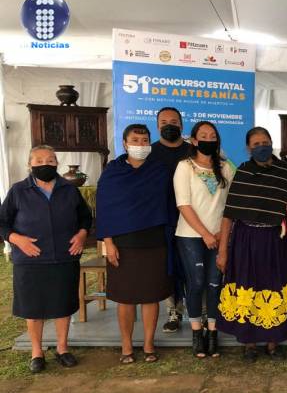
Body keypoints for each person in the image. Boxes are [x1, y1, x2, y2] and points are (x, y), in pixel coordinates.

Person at [216, 127, 287, 362]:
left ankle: (273, 343)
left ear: (271, 142)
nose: (261, 147)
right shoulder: (243, 172)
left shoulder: (285, 173)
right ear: (248, 148)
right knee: (247, 287)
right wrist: (223, 251)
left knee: (273, 286)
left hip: (274, 241)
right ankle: (249, 343)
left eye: (265, 142)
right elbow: (229, 215)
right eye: (256, 144)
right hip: (245, 240)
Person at [0, 145, 91, 373]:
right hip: (30, 261)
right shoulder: (18, 191)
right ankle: (36, 352)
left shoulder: (69, 190)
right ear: (29, 164)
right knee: (33, 308)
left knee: (63, 305)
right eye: (39, 160)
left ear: (57, 163)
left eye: (50, 160)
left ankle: (62, 348)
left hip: (64, 258)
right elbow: (3, 222)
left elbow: (85, 217)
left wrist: (82, 234)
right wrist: (16, 239)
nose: (45, 164)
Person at [97, 124, 174, 364]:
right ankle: (127, 346)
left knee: (151, 296)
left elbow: (170, 204)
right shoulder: (112, 172)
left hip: (154, 242)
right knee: (126, 297)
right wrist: (108, 243)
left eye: (145, 140)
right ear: (124, 143)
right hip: (123, 244)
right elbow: (104, 208)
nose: (141, 145)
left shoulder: (159, 170)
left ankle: (149, 344)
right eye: (135, 140)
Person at [174, 121, 234, 358]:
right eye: (203, 135)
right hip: (190, 236)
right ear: (194, 140)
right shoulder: (184, 167)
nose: (208, 139)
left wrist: (220, 234)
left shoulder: (225, 167)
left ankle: (213, 333)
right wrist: (206, 234)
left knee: (214, 283)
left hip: (219, 235)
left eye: (212, 136)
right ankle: (197, 332)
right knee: (196, 283)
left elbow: (230, 206)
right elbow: (183, 205)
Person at [147, 107, 192, 333]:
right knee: (169, 267)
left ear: (181, 125)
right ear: (157, 126)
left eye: (174, 122)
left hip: (193, 218)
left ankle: (202, 312)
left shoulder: (194, 151)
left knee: (194, 266)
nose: (169, 126)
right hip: (162, 218)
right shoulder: (149, 153)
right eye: (164, 122)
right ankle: (174, 311)